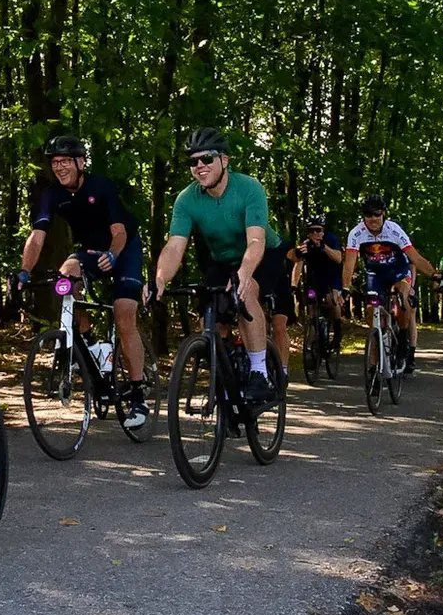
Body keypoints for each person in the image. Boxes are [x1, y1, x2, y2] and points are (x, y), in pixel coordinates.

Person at [16, 134, 150, 429]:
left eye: (65, 161)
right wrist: (24, 271)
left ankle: (139, 395)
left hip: (124, 249)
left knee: (124, 314)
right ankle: (88, 343)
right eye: (54, 162)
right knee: (66, 276)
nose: (59, 167)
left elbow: (120, 232)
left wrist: (113, 256)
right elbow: (37, 237)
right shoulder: (52, 195)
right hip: (88, 250)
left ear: (80, 162)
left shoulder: (100, 187)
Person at [149, 127, 281, 401]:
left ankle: (259, 372)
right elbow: (175, 245)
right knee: (211, 314)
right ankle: (227, 368)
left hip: (263, 253)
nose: (199, 166)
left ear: (225, 160)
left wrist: (245, 273)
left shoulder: (249, 188)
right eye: (193, 161)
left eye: (207, 159)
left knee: (246, 291)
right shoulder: (186, 199)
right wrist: (160, 278)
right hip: (221, 259)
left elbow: (255, 241)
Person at [339, 196, 437, 373]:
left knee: (403, 296)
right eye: (368, 215)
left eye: (377, 214)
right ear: (363, 216)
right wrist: (345, 287)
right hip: (375, 275)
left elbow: (415, 257)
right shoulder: (356, 233)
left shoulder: (394, 230)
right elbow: (349, 263)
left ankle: (402, 337)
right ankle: (374, 362)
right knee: (371, 312)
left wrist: (434, 275)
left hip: (398, 272)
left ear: (383, 214)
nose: (373, 219)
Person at [288, 216, 345, 348]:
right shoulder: (306, 243)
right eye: (311, 231)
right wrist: (293, 285)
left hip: (332, 275)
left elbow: (338, 258)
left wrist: (323, 247)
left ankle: (337, 333)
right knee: (311, 300)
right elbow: (298, 264)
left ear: (323, 231)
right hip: (315, 276)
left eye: (318, 230)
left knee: (333, 300)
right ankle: (315, 333)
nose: (315, 234)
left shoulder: (331, 239)